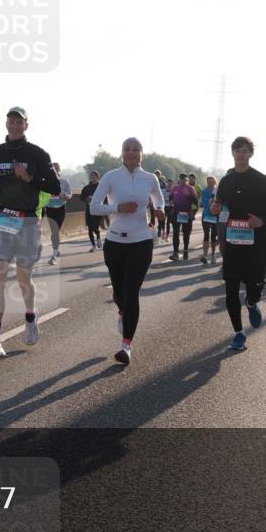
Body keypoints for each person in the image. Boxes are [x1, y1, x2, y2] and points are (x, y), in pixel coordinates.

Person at [0, 106, 60, 358]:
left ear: (26, 125)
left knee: (23, 277)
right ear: (6, 124)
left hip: (27, 222)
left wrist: (29, 178)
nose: (14, 125)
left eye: (19, 122)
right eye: (11, 121)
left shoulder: (37, 153)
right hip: (2, 219)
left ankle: (30, 314)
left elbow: (55, 186)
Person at [90, 138, 165, 366]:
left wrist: (161, 211)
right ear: (122, 153)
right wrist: (118, 207)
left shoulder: (150, 178)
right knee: (119, 294)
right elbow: (94, 207)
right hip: (114, 243)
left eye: (135, 150)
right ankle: (123, 311)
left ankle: (126, 345)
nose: (131, 153)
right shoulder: (111, 177)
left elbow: (159, 201)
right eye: (127, 149)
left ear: (142, 154)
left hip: (141, 241)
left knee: (131, 292)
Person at [214, 136, 266, 351]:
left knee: (255, 288)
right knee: (231, 288)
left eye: (245, 151)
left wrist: (261, 220)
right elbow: (217, 205)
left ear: (250, 154)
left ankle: (252, 302)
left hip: (255, 245)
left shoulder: (262, 180)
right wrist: (215, 208)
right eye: (237, 151)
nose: (241, 155)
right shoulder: (226, 181)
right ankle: (238, 333)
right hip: (233, 243)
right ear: (233, 153)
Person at [44, 162, 73, 265]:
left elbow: (70, 194)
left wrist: (66, 196)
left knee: (55, 231)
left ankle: (54, 253)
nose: (54, 170)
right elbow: (42, 194)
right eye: (53, 169)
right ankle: (55, 252)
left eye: (56, 168)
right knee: (54, 232)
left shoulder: (64, 182)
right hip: (50, 208)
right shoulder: (46, 182)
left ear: (59, 170)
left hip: (60, 208)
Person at [168, 173, 199, 261]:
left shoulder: (190, 188)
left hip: (186, 214)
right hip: (176, 213)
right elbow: (170, 197)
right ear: (179, 180)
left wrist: (188, 195)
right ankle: (175, 253)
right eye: (181, 180)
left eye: (185, 180)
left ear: (187, 180)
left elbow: (195, 202)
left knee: (186, 233)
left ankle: (185, 250)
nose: (183, 182)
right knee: (176, 233)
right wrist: (171, 201)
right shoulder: (175, 188)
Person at [81, 172, 105, 251]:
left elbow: (106, 196)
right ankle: (93, 246)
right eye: (91, 176)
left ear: (98, 177)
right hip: (89, 210)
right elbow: (81, 197)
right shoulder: (86, 188)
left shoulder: (101, 187)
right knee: (90, 228)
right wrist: (87, 199)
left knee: (95, 227)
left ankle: (98, 237)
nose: (93, 177)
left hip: (98, 210)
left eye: (95, 176)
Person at [199, 175, 219, 264]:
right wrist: (210, 203)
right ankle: (205, 255)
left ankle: (213, 254)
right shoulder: (204, 191)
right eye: (208, 182)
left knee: (213, 236)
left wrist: (214, 203)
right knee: (206, 235)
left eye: (212, 182)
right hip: (206, 215)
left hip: (215, 216)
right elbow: (204, 202)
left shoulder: (218, 191)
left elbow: (218, 202)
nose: (210, 183)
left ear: (215, 182)